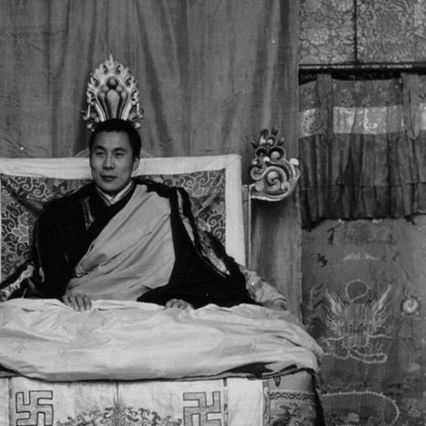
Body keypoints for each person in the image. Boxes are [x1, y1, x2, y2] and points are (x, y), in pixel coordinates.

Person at [28, 117, 281, 312]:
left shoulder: (165, 203)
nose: (108, 164)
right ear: (90, 158)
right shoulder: (60, 213)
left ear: (135, 162)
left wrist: (186, 299)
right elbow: (46, 281)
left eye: (118, 155)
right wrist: (65, 298)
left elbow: (202, 263)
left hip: (152, 309)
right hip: (84, 311)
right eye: (100, 153)